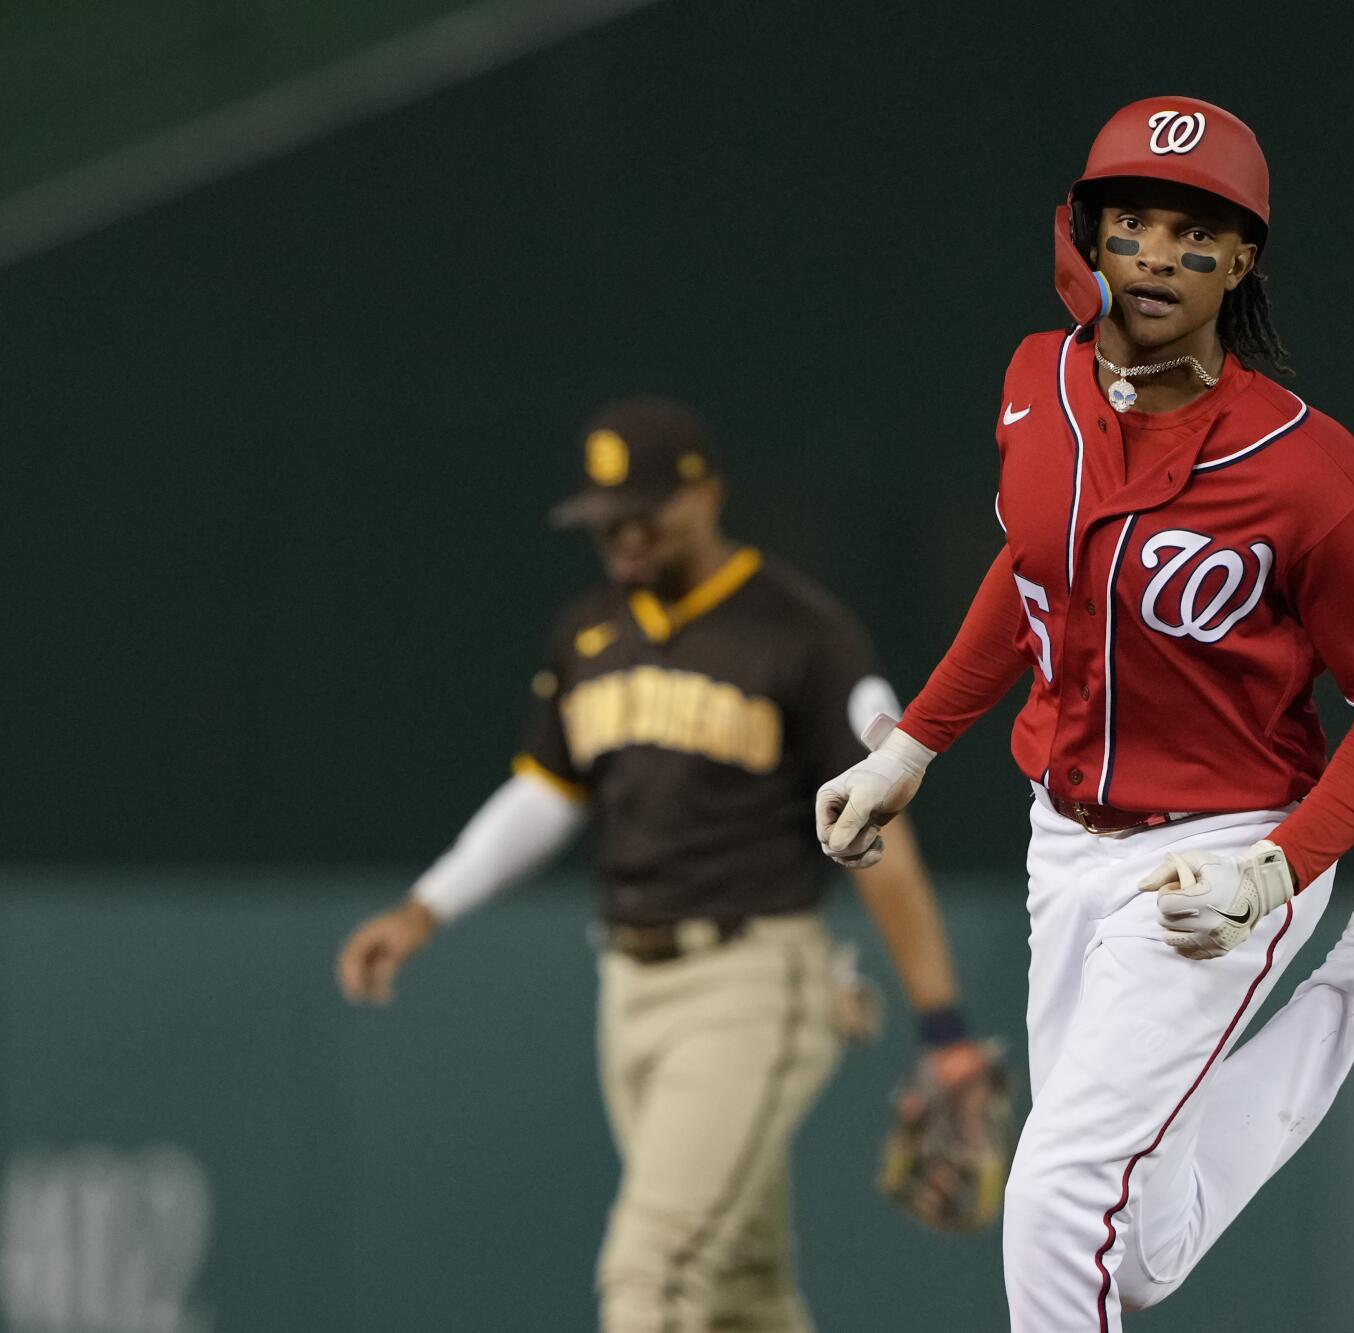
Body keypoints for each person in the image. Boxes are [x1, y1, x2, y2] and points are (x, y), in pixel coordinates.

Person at [814, 97, 1354, 1330]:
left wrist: (1278, 869)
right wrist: (910, 743)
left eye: (1193, 229)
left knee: (1055, 1190)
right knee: (1135, 1249)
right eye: (1132, 221)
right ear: (1086, 236)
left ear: (1240, 259)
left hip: (1224, 852)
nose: (1155, 252)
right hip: (1067, 842)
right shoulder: (1034, 383)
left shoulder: (1312, 475)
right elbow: (1029, 568)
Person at [336, 396, 989, 1333]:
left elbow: (877, 776)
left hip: (754, 982)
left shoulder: (798, 629)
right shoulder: (587, 630)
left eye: (647, 510)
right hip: (632, 992)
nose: (626, 533)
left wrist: (945, 1023)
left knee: (651, 1278)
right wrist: (424, 908)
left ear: (708, 494)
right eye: (608, 518)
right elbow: (545, 792)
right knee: (739, 1296)